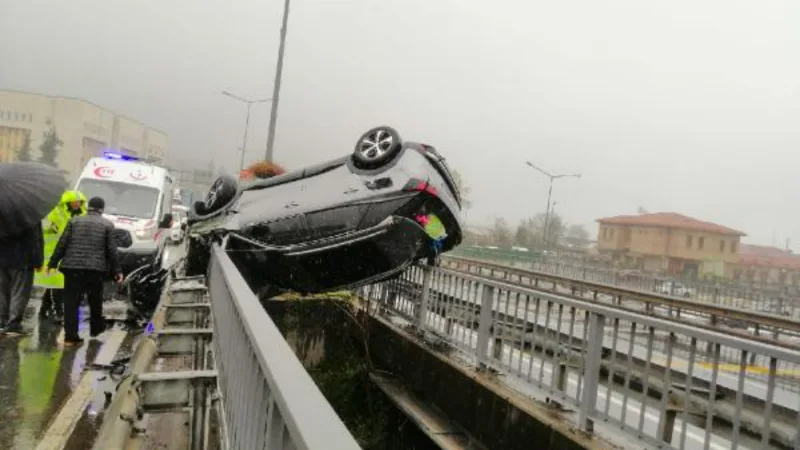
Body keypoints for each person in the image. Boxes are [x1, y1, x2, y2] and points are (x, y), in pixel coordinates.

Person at [47, 197, 122, 345]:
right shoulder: (107, 225)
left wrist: (53, 263)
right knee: (95, 299)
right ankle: (95, 330)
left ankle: (71, 336)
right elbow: (111, 251)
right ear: (102, 209)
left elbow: (62, 243)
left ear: (89, 207)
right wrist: (117, 271)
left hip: (72, 267)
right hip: (95, 269)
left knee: (70, 302)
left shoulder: (74, 221)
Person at [36, 190, 87, 322]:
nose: (76, 205)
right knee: (58, 284)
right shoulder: (56, 214)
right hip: (53, 254)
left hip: (69, 254)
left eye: (79, 202)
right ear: (67, 203)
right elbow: (46, 230)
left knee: (56, 284)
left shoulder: (83, 215)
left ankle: (44, 308)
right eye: (73, 203)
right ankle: (58, 311)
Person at [0, 224, 44, 335]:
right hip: (22, 260)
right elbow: (35, 239)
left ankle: (2, 321)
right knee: (20, 292)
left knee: (3, 291)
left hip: (2, 259)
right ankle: (13, 324)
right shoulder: (30, 215)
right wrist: (38, 261)